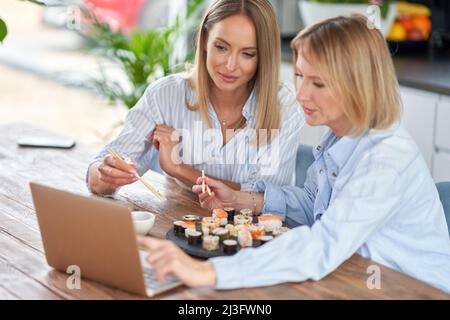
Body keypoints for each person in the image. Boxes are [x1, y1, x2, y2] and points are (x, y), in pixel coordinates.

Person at [137, 14, 450, 293]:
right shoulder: (340, 136)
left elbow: (322, 245)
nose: (300, 94)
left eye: (318, 83)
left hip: (410, 289)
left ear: (359, 86)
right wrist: (244, 200)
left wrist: (205, 271)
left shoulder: (385, 160)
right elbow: (316, 206)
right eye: (300, 76)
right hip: (355, 277)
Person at [87, 0, 304, 196]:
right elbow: (99, 174)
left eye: (247, 54)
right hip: (179, 225)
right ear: (204, 41)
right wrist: (107, 175)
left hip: (255, 237)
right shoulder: (165, 95)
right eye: (221, 47)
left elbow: (265, 198)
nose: (230, 65)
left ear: (263, 57)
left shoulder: (284, 107)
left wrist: (179, 169)